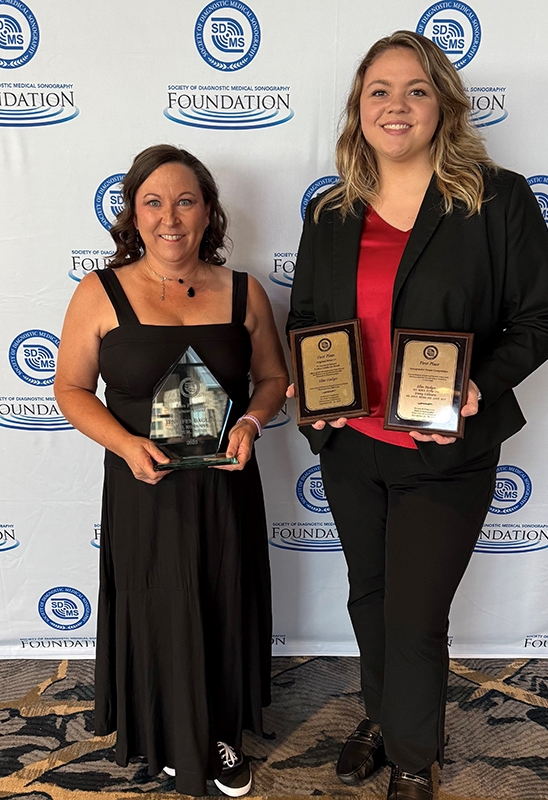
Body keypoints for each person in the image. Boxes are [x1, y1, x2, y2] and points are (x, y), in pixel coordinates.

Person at [287, 31, 548, 800]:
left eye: (416, 89)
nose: (397, 105)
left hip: (446, 451)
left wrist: (478, 384)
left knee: (414, 614)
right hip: (352, 446)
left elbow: (539, 321)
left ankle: (414, 757)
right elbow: (305, 317)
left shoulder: (496, 200)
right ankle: (382, 719)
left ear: (443, 104)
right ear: (359, 109)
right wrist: (313, 393)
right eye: (379, 90)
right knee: (370, 597)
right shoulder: (331, 213)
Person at [55, 145, 288, 797]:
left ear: (208, 211)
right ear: (133, 213)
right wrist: (126, 445)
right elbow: (70, 389)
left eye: (186, 201)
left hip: (225, 486)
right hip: (144, 486)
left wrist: (252, 422)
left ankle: (219, 734)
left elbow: (273, 378)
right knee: (155, 604)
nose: (170, 217)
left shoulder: (244, 291)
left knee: (222, 602)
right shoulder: (99, 293)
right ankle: (160, 731)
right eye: (153, 202)